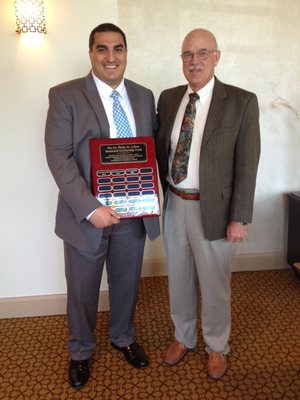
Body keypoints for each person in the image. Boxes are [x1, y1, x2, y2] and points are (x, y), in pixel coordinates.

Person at [45, 23, 160, 389]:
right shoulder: (65, 96)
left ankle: (123, 337)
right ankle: (80, 351)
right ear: (91, 52)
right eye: (102, 49)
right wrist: (91, 208)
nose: (111, 57)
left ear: (126, 52)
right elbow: (58, 157)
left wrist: (151, 197)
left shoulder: (144, 96)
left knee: (126, 284)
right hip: (86, 217)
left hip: (132, 213)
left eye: (118, 49)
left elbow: (149, 151)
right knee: (82, 289)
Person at [156, 28, 260, 379]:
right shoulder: (169, 98)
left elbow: (247, 163)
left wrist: (240, 217)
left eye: (202, 53)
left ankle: (217, 345)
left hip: (213, 209)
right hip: (174, 203)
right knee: (179, 277)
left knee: (215, 283)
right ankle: (183, 336)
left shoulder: (242, 101)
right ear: (181, 60)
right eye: (187, 54)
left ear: (217, 57)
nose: (194, 61)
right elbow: (160, 151)